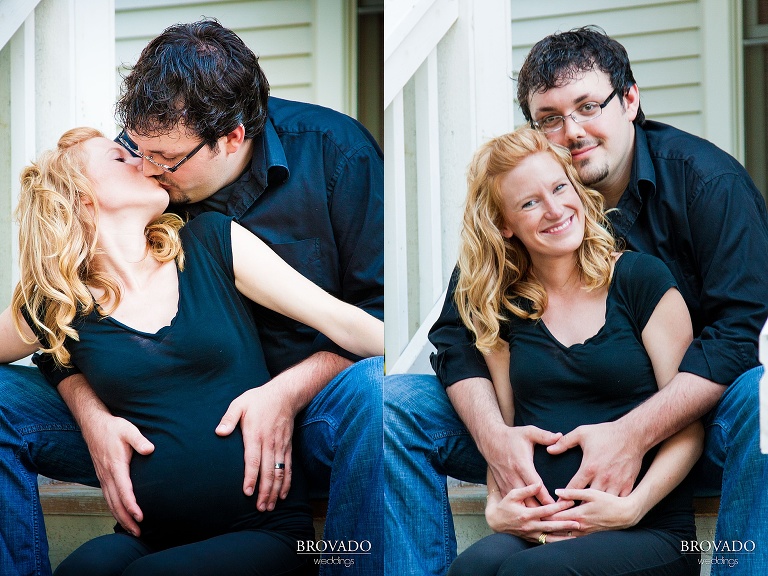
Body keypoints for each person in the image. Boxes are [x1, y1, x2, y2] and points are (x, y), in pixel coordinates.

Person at [0, 20, 383, 576]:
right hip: (152, 466)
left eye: (161, 158)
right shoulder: (137, 211)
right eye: (131, 149)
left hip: (296, 438)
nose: (145, 163)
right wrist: (92, 414)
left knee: (378, 394)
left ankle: (351, 566)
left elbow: (367, 322)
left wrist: (283, 394)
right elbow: (59, 334)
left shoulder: (325, 162)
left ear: (231, 137)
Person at [384, 26, 768, 576]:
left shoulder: (709, 186)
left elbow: (741, 335)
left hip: (690, 422)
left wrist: (634, 434)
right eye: (549, 118)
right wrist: (498, 444)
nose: (572, 131)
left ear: (630, 100)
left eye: (588, 106)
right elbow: (457, 335)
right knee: (393, 403)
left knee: (763, 397)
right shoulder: (527, 203)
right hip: (550, 440)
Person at [445, 127, 701, 575]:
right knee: (472, 570)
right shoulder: (504, 306)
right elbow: (506, 435)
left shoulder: (642, 280)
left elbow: (688, 425)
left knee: (533, 573)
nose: (554, 209)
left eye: (559, 187)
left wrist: (634, 507)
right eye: (529, 202)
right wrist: (495, 507)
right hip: (544, 528)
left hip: (646, 529)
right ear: (504, 225)